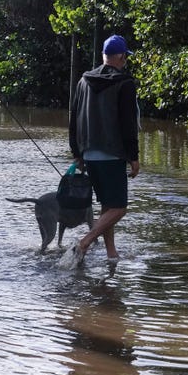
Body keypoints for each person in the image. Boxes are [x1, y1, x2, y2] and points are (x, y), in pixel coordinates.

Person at [68, 34, 140, 263]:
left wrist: (77, 153)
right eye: (124, 57)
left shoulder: (83, 81)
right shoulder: (125, 83)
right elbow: (128, 124)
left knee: (107, 205)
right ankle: (84, 243)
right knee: (119, 209)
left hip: (89, 152)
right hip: (112, 154)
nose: (124, 61)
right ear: (120, 57)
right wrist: (134, 157)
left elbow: (73, 117)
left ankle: (112, 254)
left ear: (103, 56)